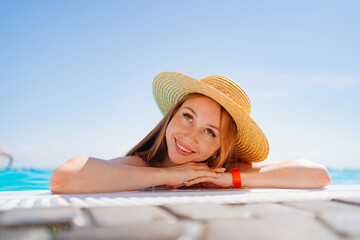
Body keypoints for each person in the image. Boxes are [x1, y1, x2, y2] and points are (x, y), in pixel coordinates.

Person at [50, 72, 331, 194]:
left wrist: (230, 180)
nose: (190, 136)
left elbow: (316, 175)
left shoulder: (218, 172)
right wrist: (168, 175)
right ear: (172, 116)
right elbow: (64, 178)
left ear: (219, 149)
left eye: (209, 132)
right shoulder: (144, 164)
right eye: (187, 117)